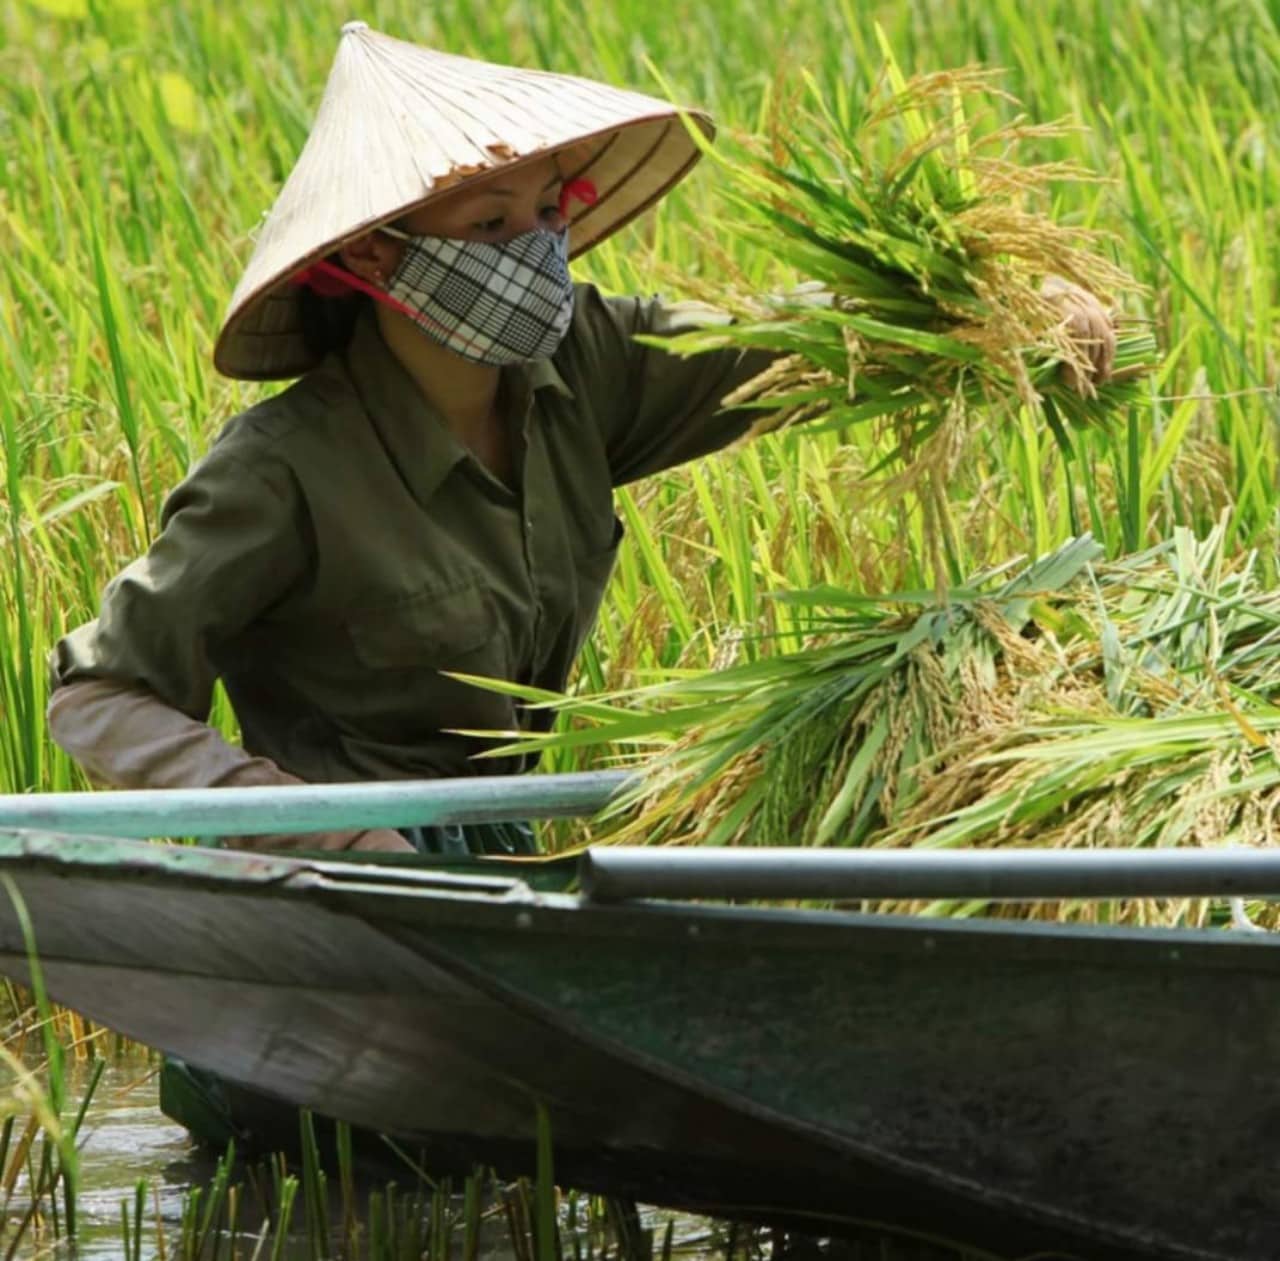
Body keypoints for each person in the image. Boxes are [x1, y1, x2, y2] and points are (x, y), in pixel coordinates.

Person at [46, 24, 1116, 857]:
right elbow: (101, 694)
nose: (536, 250)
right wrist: (309, 822)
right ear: (374, 263)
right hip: (345, 891)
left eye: (549, 210)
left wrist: (986, 314)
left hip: (506, 849)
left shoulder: (584, 365)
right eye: (488, 225)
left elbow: (776, 345)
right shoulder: (283, 469)